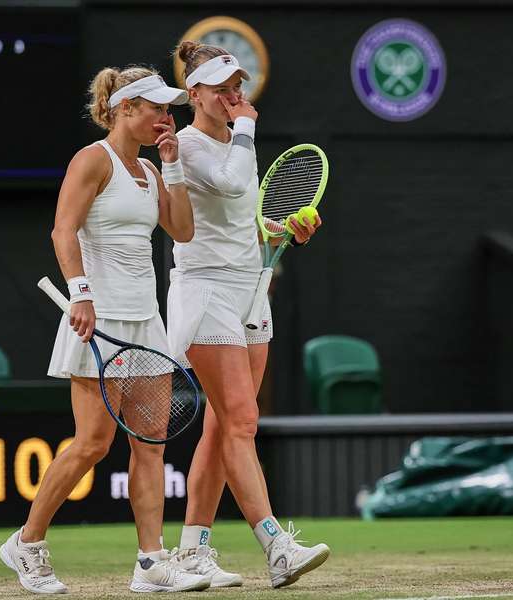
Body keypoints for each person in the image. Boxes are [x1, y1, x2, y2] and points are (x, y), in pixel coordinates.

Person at [0, 65, 209, 594]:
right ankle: (26, 542)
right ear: (125, 109)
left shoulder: (153, 170)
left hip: (146, 322)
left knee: (151, 447)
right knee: (93, 443)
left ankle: (151, 563)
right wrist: (82, 293)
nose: (167, 116)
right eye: (157, 107)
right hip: (97, 316)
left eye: (168, 108)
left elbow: (181, 229)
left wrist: (174, 166)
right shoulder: (92, 160)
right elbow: (62, 229)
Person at [166, 41, 329, 589]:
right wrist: (247, 127)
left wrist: (282, 231)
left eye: (237, 86)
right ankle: (275, 546)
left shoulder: (237, 141)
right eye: (221, 88)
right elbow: (234, 183)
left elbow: (243, 219)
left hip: (250, 290)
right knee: (241, 419)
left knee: (221, 425)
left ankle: (192, 549)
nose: (234, 96)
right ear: (195, 95)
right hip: (205, 291)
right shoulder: (188, 147)